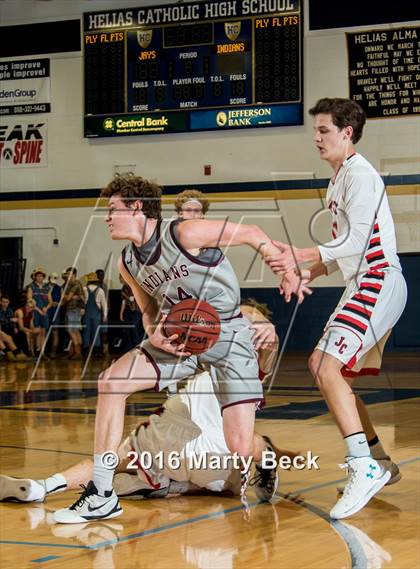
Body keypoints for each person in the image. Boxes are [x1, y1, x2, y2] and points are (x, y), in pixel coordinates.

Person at [54, 174, 309, 523]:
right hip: (181, 340)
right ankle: (101, 493)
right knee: (111, 382)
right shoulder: (127, 263)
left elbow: (251, 234)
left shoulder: (184, 232)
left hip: (228, 336)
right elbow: (147, 309)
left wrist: (283, 269)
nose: (107, 218)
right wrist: (152, 332)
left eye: (113, 209)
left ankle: (264, 455)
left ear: (137, 207)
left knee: (238, 445)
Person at [0, 302, 297, 513]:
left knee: (110, 462)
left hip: (167, 427)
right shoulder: (249, 365)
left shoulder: (211, 350)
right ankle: (169, 485)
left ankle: (46, 486)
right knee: (239, 466)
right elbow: (254, 325)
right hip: (210, 456)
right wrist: (265, 324)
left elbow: (243, 318)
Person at [266, 98, 407, 520]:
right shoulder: (339, 180)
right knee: (324, 367)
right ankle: (377, 458)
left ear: (347, 132)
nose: (316, 137)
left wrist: (298, 254)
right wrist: (309, 271)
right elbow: (342, 253)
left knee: (326, 367)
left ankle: (362, 465)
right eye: (315, 130)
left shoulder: (361, 175)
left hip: (378, 278)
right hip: (362, 280)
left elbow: (358, 243)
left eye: (324, 130)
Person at [27, 268, 52, 358]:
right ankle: (32, 351)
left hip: (44, 312)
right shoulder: (31, 286)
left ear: (43, 277)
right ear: (35, 277)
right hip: (34, 312)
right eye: (38, 276)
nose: (39, 277)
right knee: (34, 332)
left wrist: (47, 307)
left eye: (41, 276)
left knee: (43, 332)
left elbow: (50, 301)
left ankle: (41, 352)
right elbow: (29, 301)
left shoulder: (47, 287)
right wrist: (39, 310)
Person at [61, 267, 85, 360]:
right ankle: (76, 352)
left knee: (71, 330)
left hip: (73, 309)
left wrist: (63, 294)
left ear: (74, 275)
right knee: (75, 331)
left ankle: (78, 352)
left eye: (69, 274)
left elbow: (67, 298)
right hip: (73, 309)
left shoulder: (75, 283)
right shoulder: (71, 284)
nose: (68, 276)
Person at [83, 272, 108, 357]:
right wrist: (105, 315)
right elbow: (104, 304)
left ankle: (86, 351)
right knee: (96, 332)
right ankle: (96, 352)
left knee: (86, 332)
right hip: (96, 314)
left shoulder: (84, 289)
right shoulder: (100, 290)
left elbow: (82, 302)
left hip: (87, 313)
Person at [47, 272, 62, 358]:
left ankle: (53, 352)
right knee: (44, 331)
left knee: (55, 332)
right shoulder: (45, 287)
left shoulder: (59, 288)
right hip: (47, 311)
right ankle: (43, 351)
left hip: (55, 312)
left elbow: (62, 299)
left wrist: (58, 303)